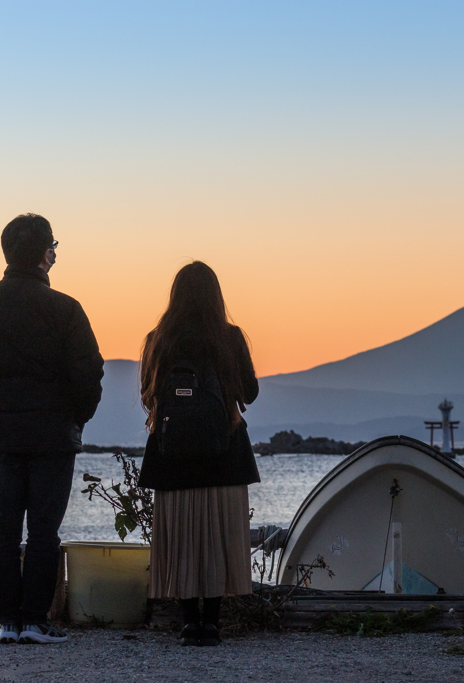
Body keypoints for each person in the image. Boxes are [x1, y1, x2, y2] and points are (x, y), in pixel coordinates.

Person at [0, 214, 103, 645]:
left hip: (2, 432)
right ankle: (35, 619)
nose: (55, 252)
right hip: (54, 435)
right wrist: (77, 417)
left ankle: (6, 621)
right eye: (53, 245)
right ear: (43, 255)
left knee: (3, 525)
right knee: (43, 530)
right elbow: (89, 371)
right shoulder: (65, 309)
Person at [138, 261, 259, 647]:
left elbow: (147, 393)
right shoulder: (230, 337)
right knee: (218, 537)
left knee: (183, 538)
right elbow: (250, 393)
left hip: (172, 455)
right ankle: (214, 623)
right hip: (224, 453)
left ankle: (189, 622)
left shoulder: (159, 339)